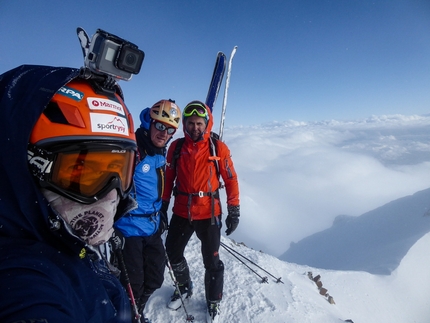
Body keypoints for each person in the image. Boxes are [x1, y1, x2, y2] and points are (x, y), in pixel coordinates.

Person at [0, 65, 138, 322]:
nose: (110, 196)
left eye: (118, 170)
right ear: (26, 167)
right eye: (81, 172)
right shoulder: (22, 279)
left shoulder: (65, 240)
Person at [162, 100, 240, 323]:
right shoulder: (176, 148)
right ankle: (184, 287)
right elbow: (168, 179)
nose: (195, 127)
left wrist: (234, 209)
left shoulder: (218, 148)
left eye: (199, 123)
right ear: (184, 124)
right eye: (190, 123)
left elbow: (231, 179)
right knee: (173, 252)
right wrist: (163, 206)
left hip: (209, 213)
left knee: (211, 261)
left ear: (206, 124)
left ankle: (213, 301)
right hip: (181, 211)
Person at [114, 99, 181, 321]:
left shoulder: (159, 153)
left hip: (151, 226)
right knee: (132, 282)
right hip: (128, 227)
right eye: (160, 125)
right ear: (149, 122)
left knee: (154, 278)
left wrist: (161, 213)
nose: (164, 133)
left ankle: (137, 309)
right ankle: (129, 314)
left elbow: (157, 188)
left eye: (169, 129)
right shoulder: (132, 149)